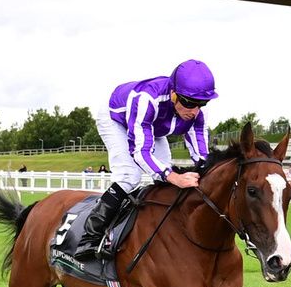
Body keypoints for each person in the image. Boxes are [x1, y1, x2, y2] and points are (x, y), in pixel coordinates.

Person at [74, 59, 213, 260]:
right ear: (173, 93)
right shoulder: (147, 98)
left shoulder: (197, 112)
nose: (194, 110)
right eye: (189, 103)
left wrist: (205, 170)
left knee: (163, 176)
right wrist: (173, 176)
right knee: (130, 175)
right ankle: (90, 236)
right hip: (117, 120)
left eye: (201, 104)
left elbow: (201, 154)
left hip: (154, 126)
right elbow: (140, 152)